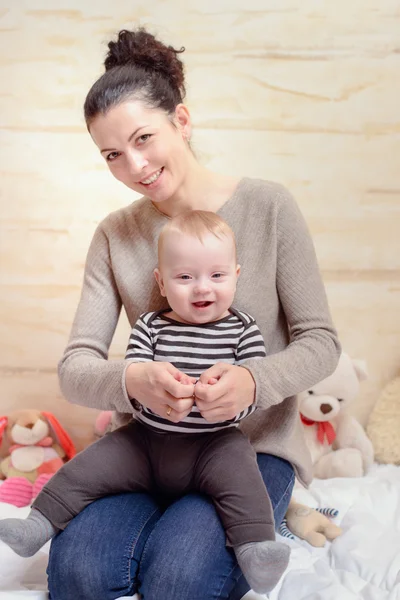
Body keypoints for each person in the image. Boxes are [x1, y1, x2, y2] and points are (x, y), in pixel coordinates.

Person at [5, 27, 340, 600]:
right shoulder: (115, 235)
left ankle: (278, 509)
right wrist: (131, 380)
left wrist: (253, 382)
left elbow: (321, 342)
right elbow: (76, 365)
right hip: (151, 446)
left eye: (144, 138)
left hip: (248, 453)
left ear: (180, 122)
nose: (134, 165)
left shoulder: (269, 207)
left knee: (179, 578)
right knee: (80, 573)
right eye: (112, 154)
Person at [0, 211, 293, 595]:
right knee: (89, 465)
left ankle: (256, 548)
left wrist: (226, 397)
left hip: (213, 444)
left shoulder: (243, 329)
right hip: (146, 441)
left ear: (236, 275)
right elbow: (135, 379)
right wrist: (146, 387)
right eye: (185, 277)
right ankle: (38, 523)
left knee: (242, 477)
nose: (202, 288)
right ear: (161, 281)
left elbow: (250, 390)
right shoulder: (150, 326)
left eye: (217, 276)